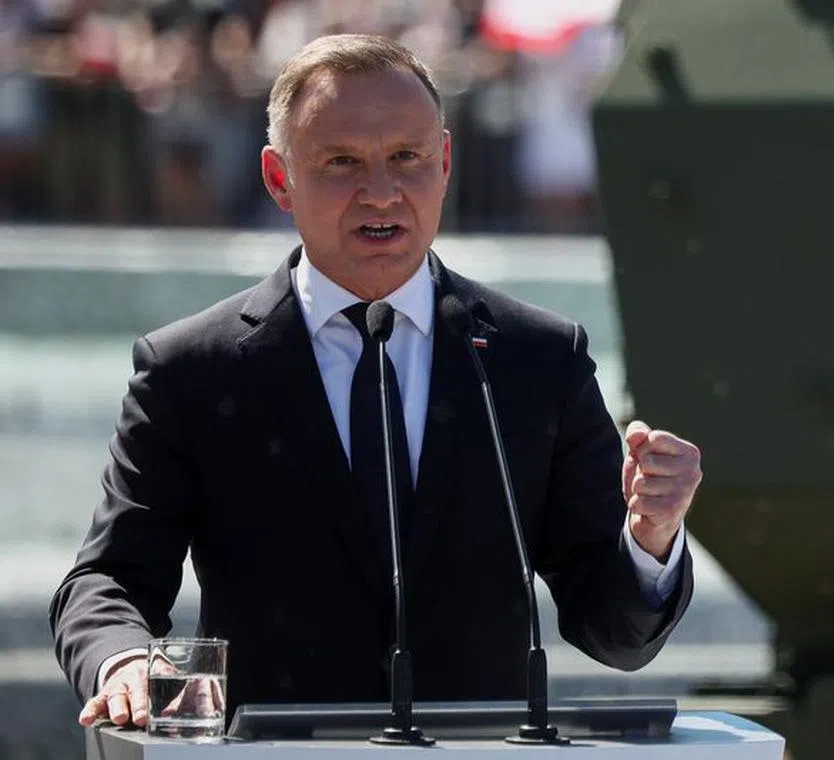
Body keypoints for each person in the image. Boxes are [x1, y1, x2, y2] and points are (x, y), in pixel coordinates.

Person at [50, 33, 702, 730]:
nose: (382, 192)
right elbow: (107, 580)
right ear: (278, 178)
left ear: (444, 162)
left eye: (406, 158)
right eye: (342, 163)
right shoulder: (191, 370)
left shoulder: (538, 360)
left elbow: (613, 630)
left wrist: (651, 539)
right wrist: (124, 661)